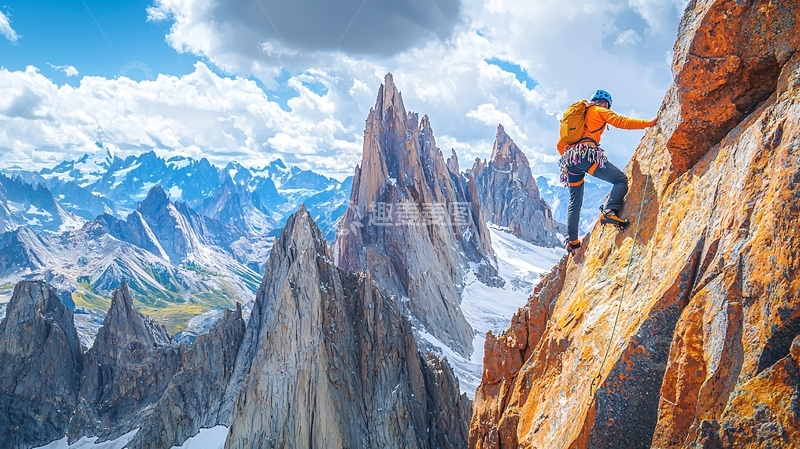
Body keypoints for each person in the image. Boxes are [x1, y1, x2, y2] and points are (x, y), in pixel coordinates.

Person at [557, 89, 657, 255]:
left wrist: (573, 159)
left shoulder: (579, 116)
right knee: (620, 180)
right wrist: (649, 123)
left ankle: (573, 242)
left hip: (570, 161)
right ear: (605, 104)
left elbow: (560, 145)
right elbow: (621, 121)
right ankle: (610, 211)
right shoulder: (599, 110)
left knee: (575, 203)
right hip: (587, 156)